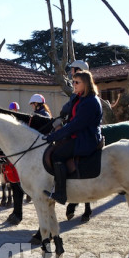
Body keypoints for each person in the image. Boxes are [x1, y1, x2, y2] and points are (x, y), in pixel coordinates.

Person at [44, 70, 103, 205]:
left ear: (86, 84)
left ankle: (61, 193)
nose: (74, 85)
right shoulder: (80, 97)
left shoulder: (91, 101)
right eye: (73, 82)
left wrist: (55, 135)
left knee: (57, 155)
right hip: (77, 135)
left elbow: (76, 124)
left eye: (77, 82)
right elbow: (71, 119)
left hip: (86, 138)